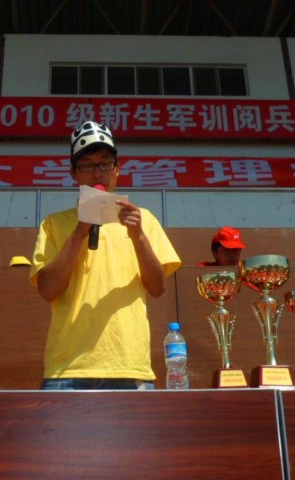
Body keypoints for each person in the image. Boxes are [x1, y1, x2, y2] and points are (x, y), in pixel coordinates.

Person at [29, 121, 181, 390]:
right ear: (73, 173)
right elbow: (47, 289)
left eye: (104, 163)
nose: (97, 172)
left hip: (129, 366)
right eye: (87, 165)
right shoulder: (53, 224)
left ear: (117, 169)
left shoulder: (143, 219)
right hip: (67, 369)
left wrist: (138, 236)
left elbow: (157, 288)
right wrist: (80, 232)